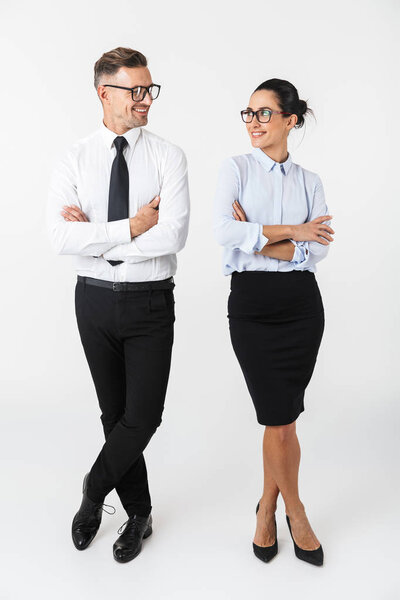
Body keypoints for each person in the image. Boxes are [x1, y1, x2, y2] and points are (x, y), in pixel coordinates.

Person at [46, 46, 190, 563]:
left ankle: (93, 489)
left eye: (150, 89)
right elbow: (60, 237)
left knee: (142, 416)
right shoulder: (75, 157)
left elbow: (172, 235)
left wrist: (94, 234)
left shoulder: (168, 156)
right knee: (115, 415)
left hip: (150, 301)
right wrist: (129, 227)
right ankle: (140, 514)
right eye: (136, 90)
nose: (146, 99)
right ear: (104, 92)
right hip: (94, 303)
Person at [213, 78, 334, 567]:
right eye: (249, 113)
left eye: (264, 113)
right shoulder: (235, 169)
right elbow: (223, 231)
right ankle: (295, 512)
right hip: (253, 307)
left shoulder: (310, 181)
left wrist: (257, 238)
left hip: (303, 308)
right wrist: (292, 234)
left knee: (283, 420)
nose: (254, 123)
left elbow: (320, 247)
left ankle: (268, 508)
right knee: (278, 418)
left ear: (290, 120)